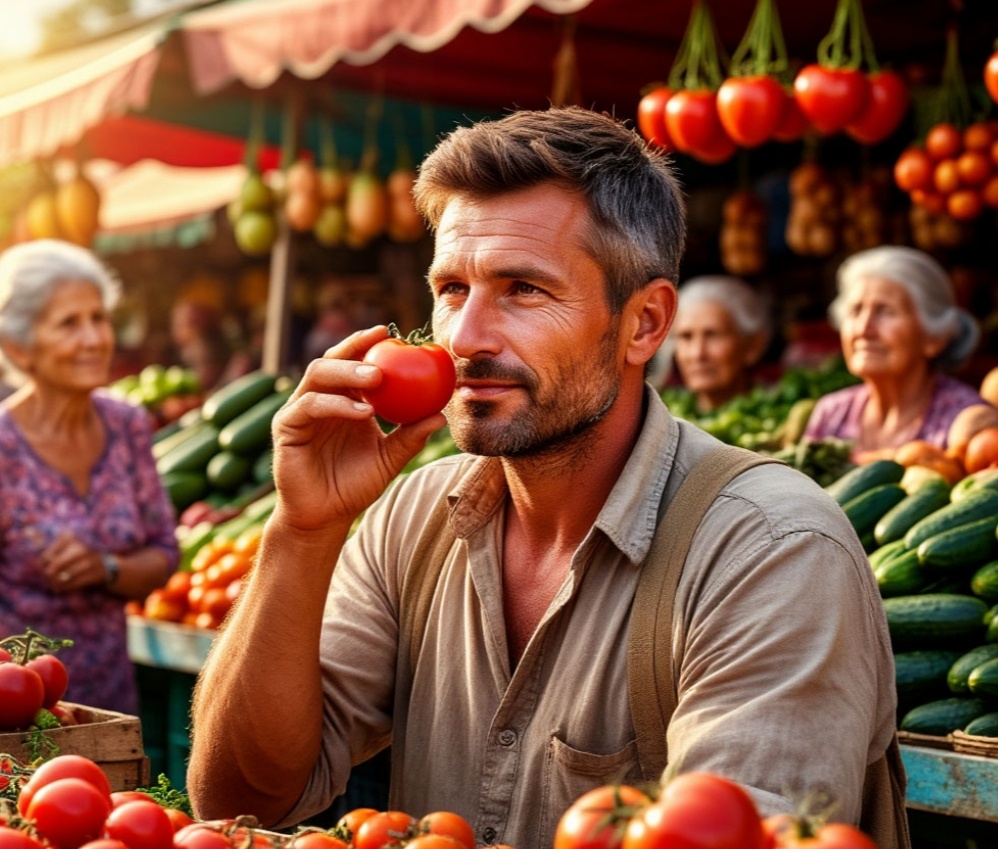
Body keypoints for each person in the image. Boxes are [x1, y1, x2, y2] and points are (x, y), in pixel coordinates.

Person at [187, 108, 900, 849]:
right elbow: (240, 797)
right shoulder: (413, 517)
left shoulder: (772, 550)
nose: (463, 339)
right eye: (452, 288)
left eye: (523, 289)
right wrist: (302, 531)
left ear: (645, 324)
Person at [0, 239, 179, 714]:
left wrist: (106, 569)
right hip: (17, 707)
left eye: (99, 318)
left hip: (112, 697)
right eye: (69, 324)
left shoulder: (128, 425)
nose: (95, 338)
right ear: (19, 346)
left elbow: (164, 552)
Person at [803, 245, 985, 460]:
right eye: (856, 310)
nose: (863, 329)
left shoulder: (965, 423)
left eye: (885, 311)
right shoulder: (831, 414)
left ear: (934, 338)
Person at [651, 275, 772, 410]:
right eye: (686, 337)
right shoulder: (661, 418)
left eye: (713, 335)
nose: (697, 354)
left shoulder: (786, 418)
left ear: (753, 345)